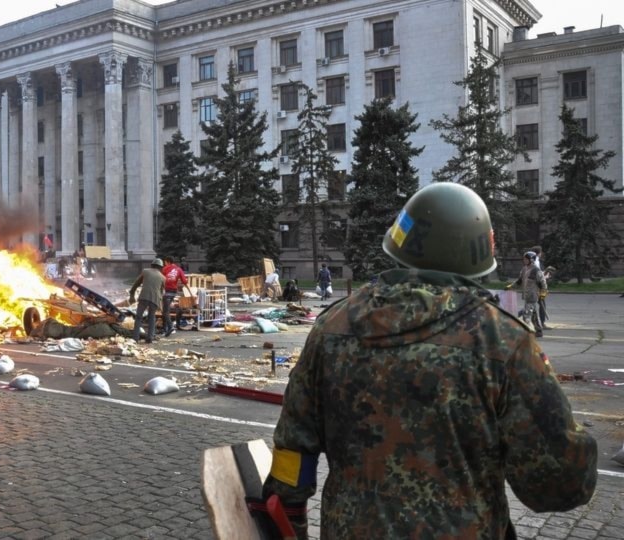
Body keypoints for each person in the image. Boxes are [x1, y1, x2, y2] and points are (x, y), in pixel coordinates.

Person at [262, 183, 596, 538]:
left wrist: (289, 527)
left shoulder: (331, 327)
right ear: (481, 251)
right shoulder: (503, 341)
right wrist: (575, 442)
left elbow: (292, 454)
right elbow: (557, 486)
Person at [508, 251, 547, 338]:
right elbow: (519, 281)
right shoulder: (524, 269)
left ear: (532, 260)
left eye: (526, 259)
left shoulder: (536, 271)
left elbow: (543, 283)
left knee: (526, 316)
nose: (524, 260)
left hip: (533, 296)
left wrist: (543, 293)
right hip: (526, 296)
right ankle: (539, 331)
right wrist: (511, 286)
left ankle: (527, 334)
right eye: (524, 259)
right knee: (534, 315)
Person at [128, 259, 165, 344]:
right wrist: (160, 304)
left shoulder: (145, 271)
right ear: (160, 267)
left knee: (138, 317)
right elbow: (161, 292)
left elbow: (136, 283)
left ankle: (135, 338)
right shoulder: (163, 277)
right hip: (155, 300)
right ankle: (150, 338)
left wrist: (132, 294)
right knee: (152, 318)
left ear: (152, 265)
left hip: (144, 297)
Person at [160, 256, 188, 337]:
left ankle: (170, 327)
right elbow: (184, 281)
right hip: (173, 292)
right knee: (165, 310)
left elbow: (161, 279)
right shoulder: (179, 269)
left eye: (165, 262)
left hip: (166, 292)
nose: (164, 264)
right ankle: (164, 329)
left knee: (165, 311)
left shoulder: (165, 269)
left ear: (167, 261)